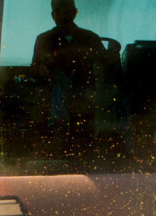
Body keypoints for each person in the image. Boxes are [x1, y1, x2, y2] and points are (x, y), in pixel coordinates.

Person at [31, 0, 106, 160]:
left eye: (67, 11)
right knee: (59, 80)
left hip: (87, 93)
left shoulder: (91, 38)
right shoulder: (44, 40)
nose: (64, 15)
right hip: (54, 95)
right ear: (53, 15)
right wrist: (44, 69)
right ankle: (58, 128)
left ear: (75, 13)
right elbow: (35, 70)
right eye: (60, 12)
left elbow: (105, 66)